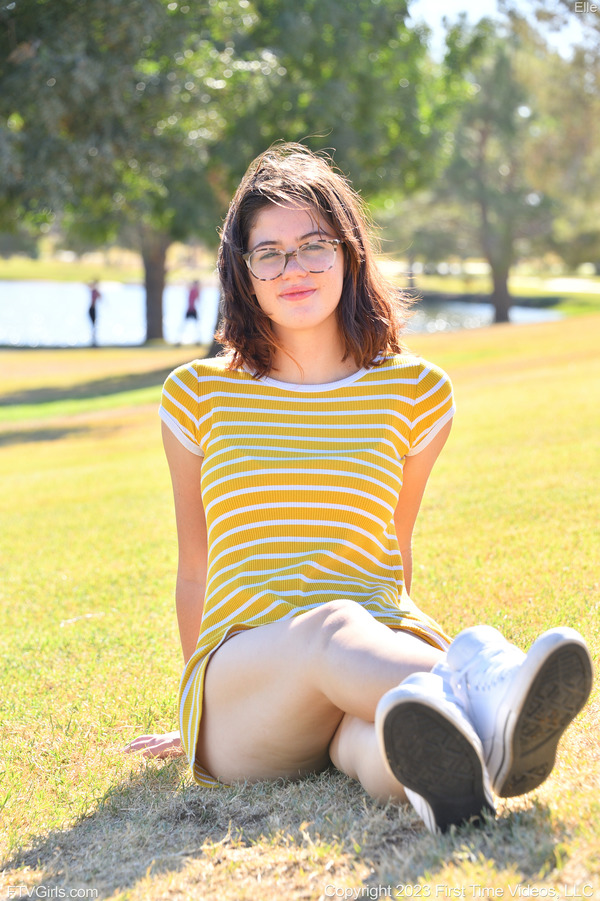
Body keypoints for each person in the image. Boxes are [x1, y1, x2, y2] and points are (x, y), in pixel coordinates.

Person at [126, 143, 593, 834]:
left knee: (389, 731)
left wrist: (392, 644)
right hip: (249, 682)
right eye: (269, 253)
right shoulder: (198, 396)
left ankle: (453, 776)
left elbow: (392, 550)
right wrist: (201, 715)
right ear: (242, 270)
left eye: (315, 245)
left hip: (372, 653)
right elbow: (194, 568)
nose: (294, 268)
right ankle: (486, 683)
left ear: (349, 253)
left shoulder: (417, 392)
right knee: (331, 626)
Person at [88, 280, 101, 346]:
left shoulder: (95, 291)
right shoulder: (94, 291)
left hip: (93, 309)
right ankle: (93, 340)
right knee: (93, 324)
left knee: (94, 325)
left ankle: (94, 340)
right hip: (92, 309)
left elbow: (100, 297)